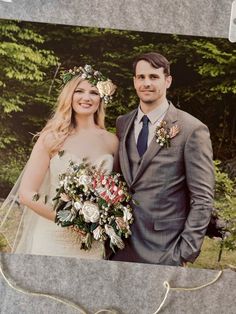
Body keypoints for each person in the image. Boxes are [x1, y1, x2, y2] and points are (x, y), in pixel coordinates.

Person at [106, 52, 214, 266]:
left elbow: (202, 198)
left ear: (167, 80)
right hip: (120, 247)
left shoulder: (192, 129)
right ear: (135, 81)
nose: (146, 83)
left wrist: (185, 252)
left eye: (153, 77)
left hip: (164, 250)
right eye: (141, 77)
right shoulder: (123, 123)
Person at [1, 65, 118, 259]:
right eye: (79, 91)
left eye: (94, 92)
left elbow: (116, 191)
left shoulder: (112, 141)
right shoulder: (52, 137)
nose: (86, 98)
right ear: (69, 96)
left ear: (101, 99)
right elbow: (26, 194)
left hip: (92, 243)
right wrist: (70, 221)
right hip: (52, 238)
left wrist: (103, 218)